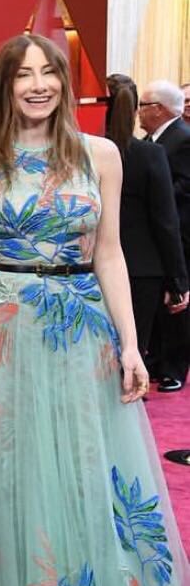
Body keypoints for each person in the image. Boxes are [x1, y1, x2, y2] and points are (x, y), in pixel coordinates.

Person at [0, 33, 188, 586]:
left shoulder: (101, 155)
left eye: (48, 73)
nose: (38, 86)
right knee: (17, 468)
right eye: (23, 74)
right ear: (5, 87)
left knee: (89, 458)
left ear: (64, 82)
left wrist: (130, 344)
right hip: (5, 329)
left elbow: (110, 254)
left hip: (83, 325)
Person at [104, 74, 188, 379]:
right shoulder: (149, 154)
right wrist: (178, 280)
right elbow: (166, 221)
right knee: (133, 348)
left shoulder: (90, 152)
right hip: (143, 267)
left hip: (94, 264)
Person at [139, 79, 190, 392]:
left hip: (180, 234)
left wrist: (154, 195)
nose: (138, 112)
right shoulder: (151, 139)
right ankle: (157, 361)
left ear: (158, 109)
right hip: (154, 232)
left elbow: (185, 185)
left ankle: (174, 367)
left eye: (142, 106)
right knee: (158, 302)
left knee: (177, 303)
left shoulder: (183, 138)